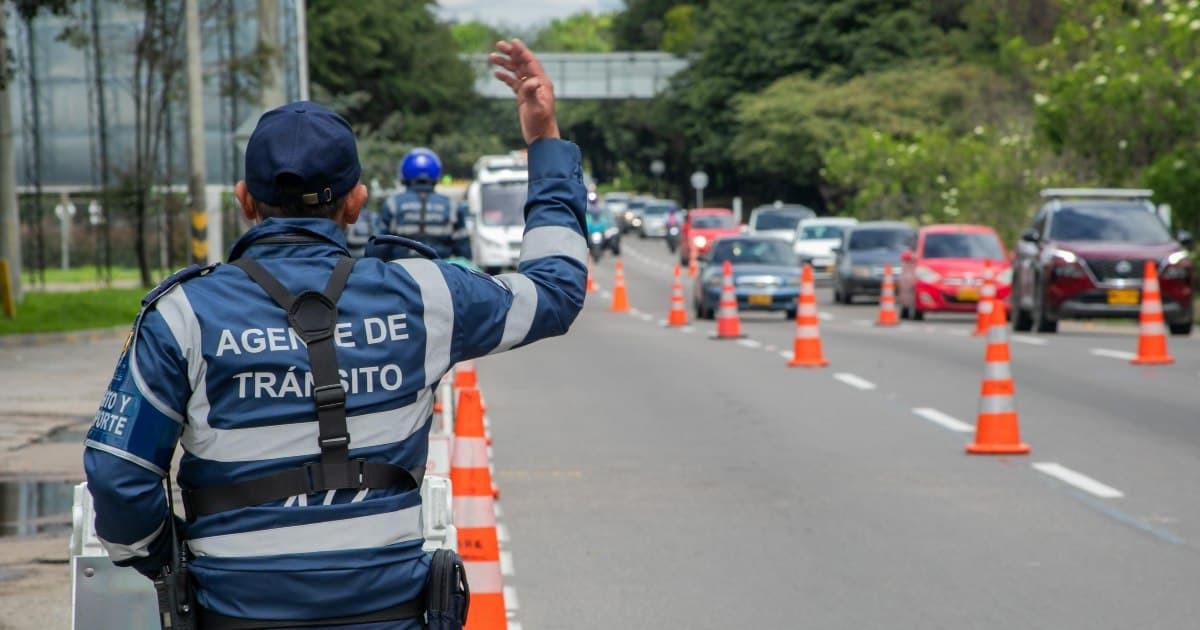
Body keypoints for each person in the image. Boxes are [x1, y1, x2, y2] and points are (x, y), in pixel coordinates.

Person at [82, 39, 585, 627]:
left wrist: (171, 563)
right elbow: (556, 290)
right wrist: (544, 141)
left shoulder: (181, 314)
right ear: (356, 203)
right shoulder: (426, 295)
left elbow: (119, 478)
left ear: (246, 201)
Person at [374, 148, 471, 260]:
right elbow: (464, 252)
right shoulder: (452, 206)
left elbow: (378, 249)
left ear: (404, 172)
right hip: (440, 272)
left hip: (400, 272)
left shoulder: (392, 204)